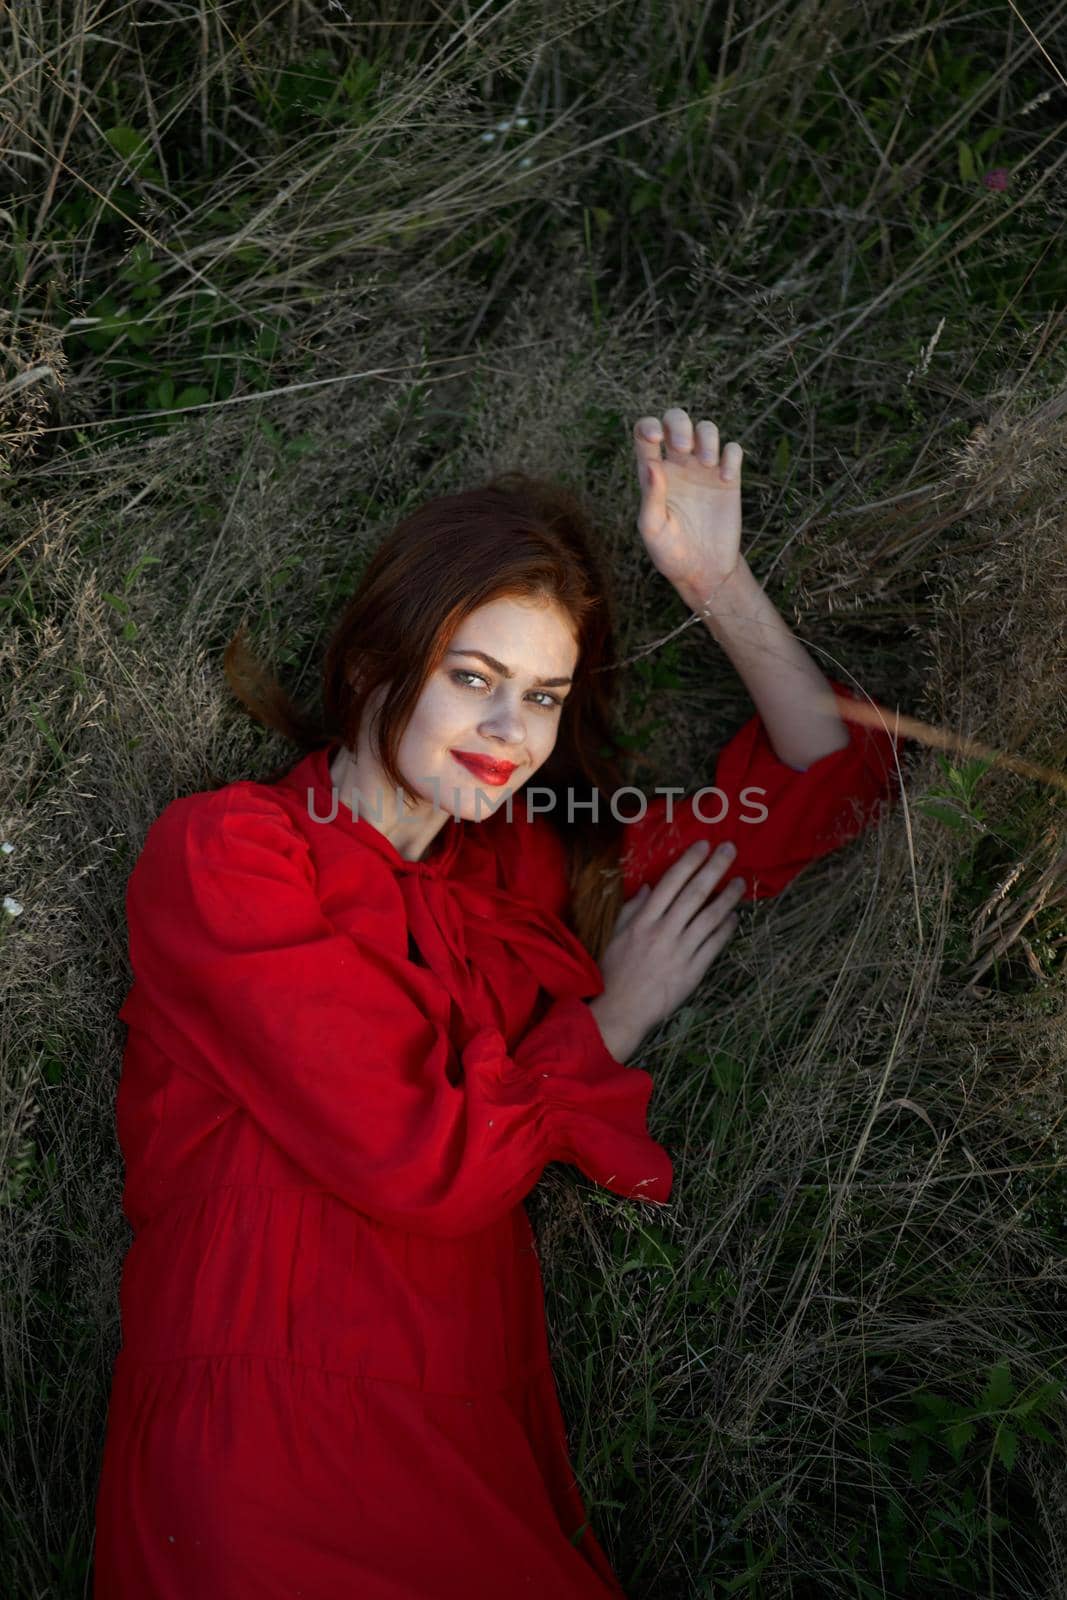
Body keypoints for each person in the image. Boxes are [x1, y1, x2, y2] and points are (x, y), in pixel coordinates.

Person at [92, 411, 905, 1597]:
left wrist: (716, 581)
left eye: (540, 696)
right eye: (471, 679)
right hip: (264, 1433)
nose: (505, 733)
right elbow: (424, 1157)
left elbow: (824, 782)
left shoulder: (523, 871)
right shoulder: (233, 854)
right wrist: (607, 1022)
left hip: (472, 1436)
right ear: (376, 662)